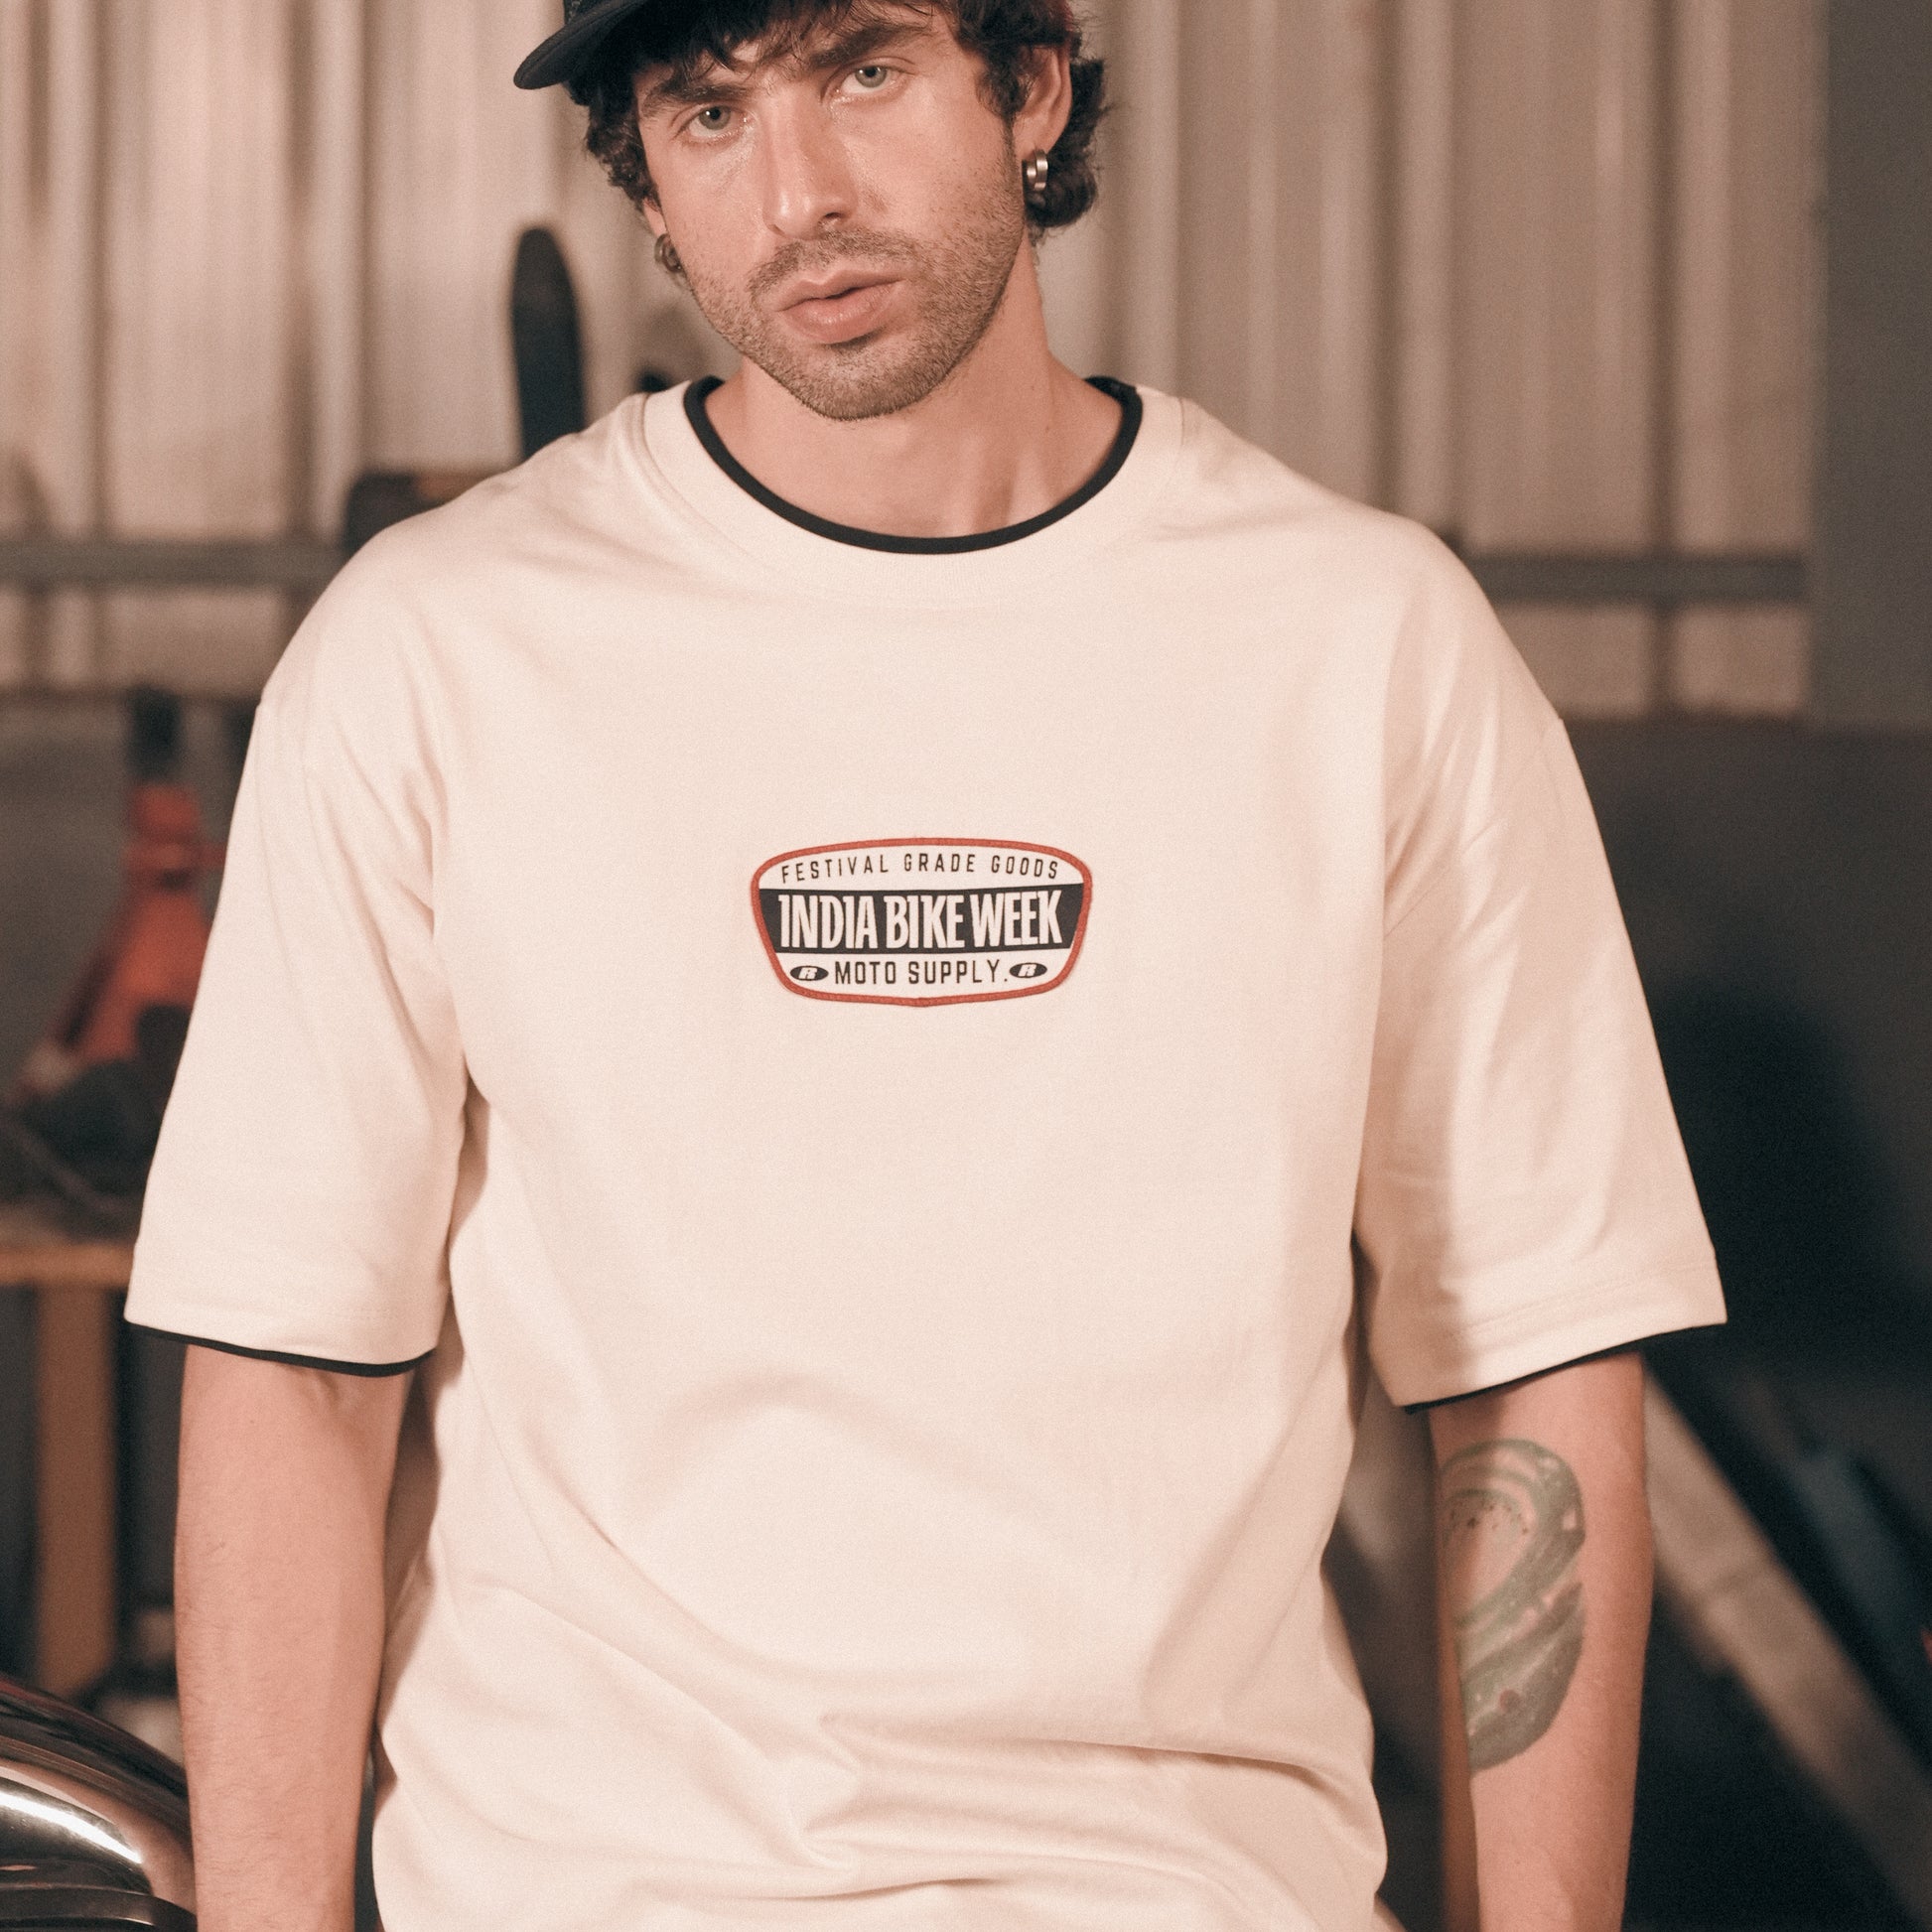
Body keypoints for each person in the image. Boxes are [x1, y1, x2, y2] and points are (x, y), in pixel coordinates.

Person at [127, 1, 1725, 1927]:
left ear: (1028, 87)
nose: (795, 192)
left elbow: (1536, 1365)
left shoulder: (1362, 643)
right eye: (705, 113)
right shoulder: (435, 652)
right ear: (643, 185)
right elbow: (293, 1374)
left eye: (862, 72)